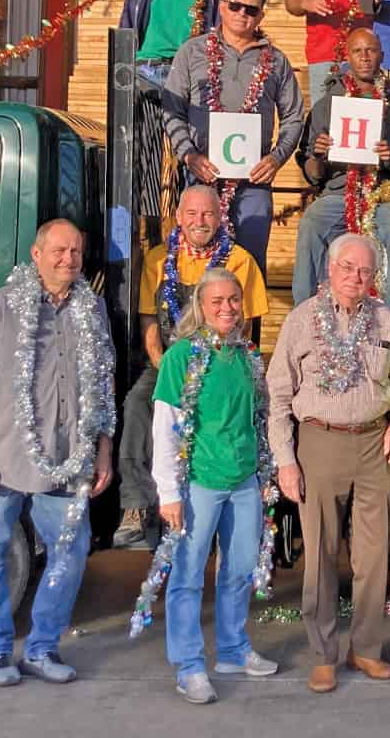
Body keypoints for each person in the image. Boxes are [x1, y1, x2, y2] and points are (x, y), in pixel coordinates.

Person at [0, 220, 115, 688]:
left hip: (69, 457)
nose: (69, 259)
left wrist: (103, 450)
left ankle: (42, 647)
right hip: (4, 456)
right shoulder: (0, 306)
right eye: (59, 250)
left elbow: (104, 384)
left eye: (76, 251)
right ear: (36, 253)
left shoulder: (93, 309)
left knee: (72, 550)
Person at [266, 234, 390, 694]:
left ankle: (365, 648)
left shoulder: (384, 318)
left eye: (365, 270)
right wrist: (286, 461)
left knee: (374, 556)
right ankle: (323, 654)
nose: (356, 277)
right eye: (347, 267)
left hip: (373, 444)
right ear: (330, 269)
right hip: (320, 441)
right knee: (321, 556)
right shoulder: (302, 320)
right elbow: (278, 395)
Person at [151, 268, 278, 705]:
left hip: (243, 480)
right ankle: (189, 665)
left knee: (240, 569)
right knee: (188, 575)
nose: (227, 308)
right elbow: (165, 427)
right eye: (217, 301)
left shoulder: (246, 356)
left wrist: (262, 475)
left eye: (234, 300)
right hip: (198, 483)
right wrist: (169, 492)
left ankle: (232, 650)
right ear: (201, 307)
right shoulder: (181, 357)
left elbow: (256, 420)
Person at [118, 184, 268, 550]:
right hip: (170, 360)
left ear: (220, 218)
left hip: (222, 359)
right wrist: (170, 367)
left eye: (208, 214)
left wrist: (214, 369)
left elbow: (244, 326)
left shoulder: (240, 261)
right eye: (192, 214)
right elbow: (149, 324)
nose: (200, 221)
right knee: (137, 405)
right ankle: (137, 504)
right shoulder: (157, 259)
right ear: (179, 218)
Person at [162, 0, 306, 276]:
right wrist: (189, 155)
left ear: (261, 16)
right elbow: (172, 110)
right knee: (195, 263)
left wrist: (276, 158)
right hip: (202, 174)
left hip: (252, 180)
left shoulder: (276, 61)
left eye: (251, 10)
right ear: (222, 8)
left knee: (249, 266)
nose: (242, 14)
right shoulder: (192, 51)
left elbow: (293, 116)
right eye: (235, 6)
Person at [294, 27, 390, 331]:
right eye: (357, 51)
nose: (364, 57)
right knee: (312, 221)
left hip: (385, 193)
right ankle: (304, 317)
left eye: (371, 50)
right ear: (347, 57)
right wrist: (319, 156)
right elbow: (313, 174)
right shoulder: (327, 104)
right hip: (338, 191)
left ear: (382, 56)